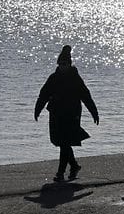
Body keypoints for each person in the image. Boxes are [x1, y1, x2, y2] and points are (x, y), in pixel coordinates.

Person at [34, 45, 99, 182]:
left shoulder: (75, 78)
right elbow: (43, 95)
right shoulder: (53, 78)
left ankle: (60, 172)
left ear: (69, 64)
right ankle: (74, 166)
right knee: (59, 141)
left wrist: (94, 112)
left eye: (65, 64)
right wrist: (37, 110)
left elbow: (85, 95)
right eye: (61, 64)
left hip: (72, 114)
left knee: (65, 142)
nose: (63, 66)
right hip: (56, 114)